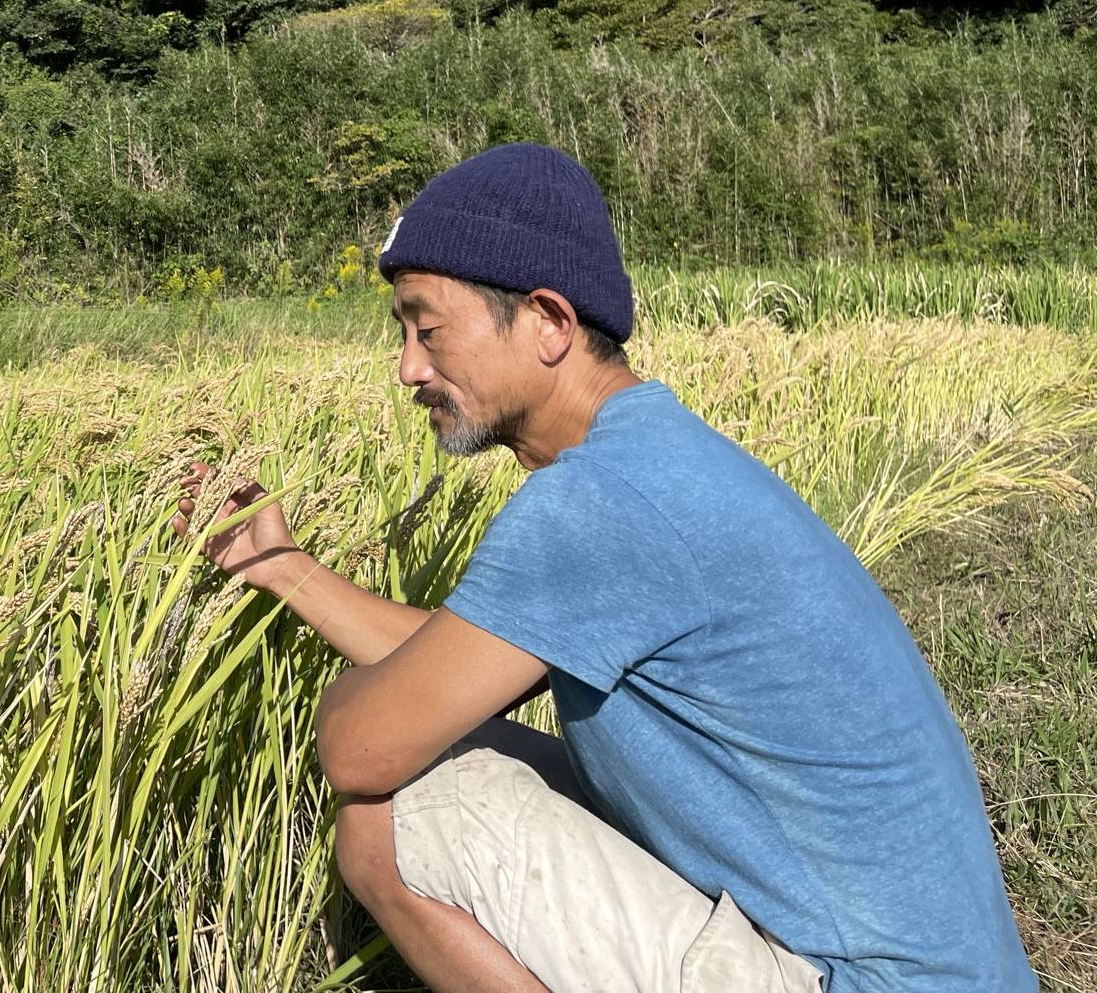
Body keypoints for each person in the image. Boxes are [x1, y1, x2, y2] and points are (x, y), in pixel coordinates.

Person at [172, 142, 1033, 993]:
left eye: (428, 328)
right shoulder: (655, 457)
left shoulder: (601, 503)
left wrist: (342, 706)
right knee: (448, 733)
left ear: (549, 322)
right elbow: (462, 660)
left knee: (397, 807)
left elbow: (361, 748)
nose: (407, 368)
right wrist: (282, 566)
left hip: (861, 981)